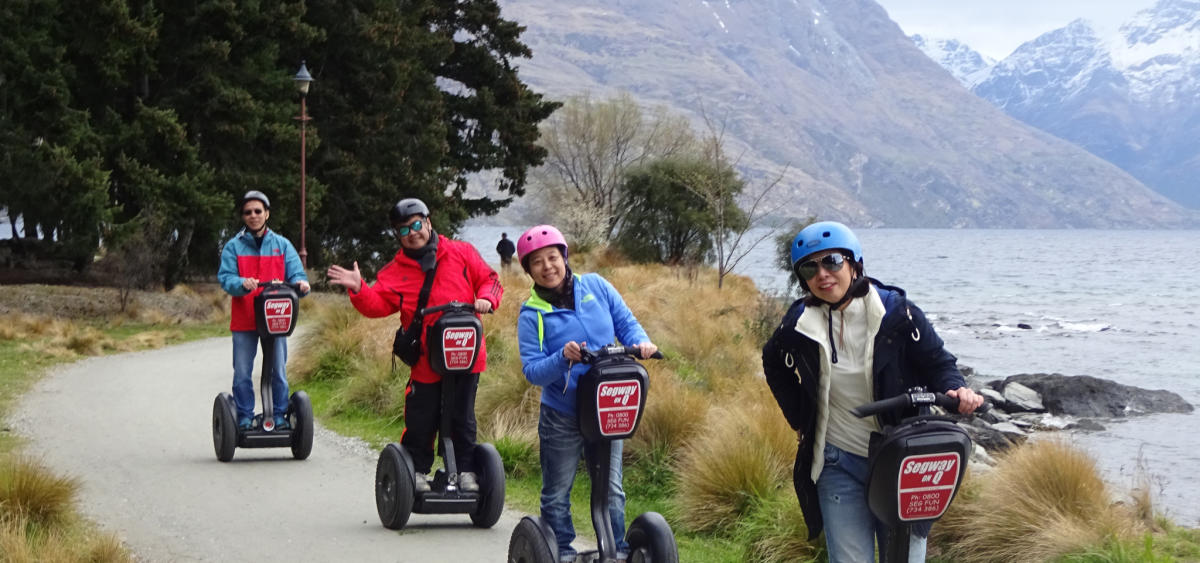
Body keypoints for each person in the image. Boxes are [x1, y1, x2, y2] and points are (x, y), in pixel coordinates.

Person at [761, 221, 983, 563]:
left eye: (832, 261)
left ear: (854, 263)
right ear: (802, 277)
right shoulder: (798, 324)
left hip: (902, 460)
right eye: (810, 267)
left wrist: (956, 389)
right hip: (837, 462)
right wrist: (799, 417)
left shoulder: (897, 314)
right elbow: (773, 361)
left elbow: (939, 362)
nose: (823, 274)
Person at [325, 198, 502, 493]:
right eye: (404, 229)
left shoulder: (460, 253)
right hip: (425, 359)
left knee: (463, 416)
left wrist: (486, 298)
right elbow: (378, 305)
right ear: (397, 234)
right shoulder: (396, 271)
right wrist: (359, 289)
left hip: (466, 353)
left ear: (429, 222)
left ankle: (466, 470)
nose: (412, 232)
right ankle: (417, 471)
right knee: (422, 416)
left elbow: (490, 279)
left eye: (417, 224)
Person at [515, 224, 658, 562]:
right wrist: (560, 357)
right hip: (562, 413)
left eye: (553, 257)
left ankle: (617, 551)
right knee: (556, 493)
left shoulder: (595, 286)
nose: (548, 266)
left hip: (608, 405)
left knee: (612, 490)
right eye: (537, 262)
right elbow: (533, 371)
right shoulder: (532, 313)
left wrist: (642, 342)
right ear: (528, 270)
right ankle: (561, 552)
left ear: (564, 257)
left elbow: (625, 322)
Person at [217, 190, 311, 431]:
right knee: (242, 373)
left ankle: (279, 415)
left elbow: (297, 275)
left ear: (267, 214)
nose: (253, 215)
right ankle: (245, 417)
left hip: (276, 318)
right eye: (248, 212)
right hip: (245, 318)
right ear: (243, 216)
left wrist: (301, 284)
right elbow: (225, 278)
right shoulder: (233, 247)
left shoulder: (282, 245)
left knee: (278, 370)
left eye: (258, 211)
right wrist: (241, 283)